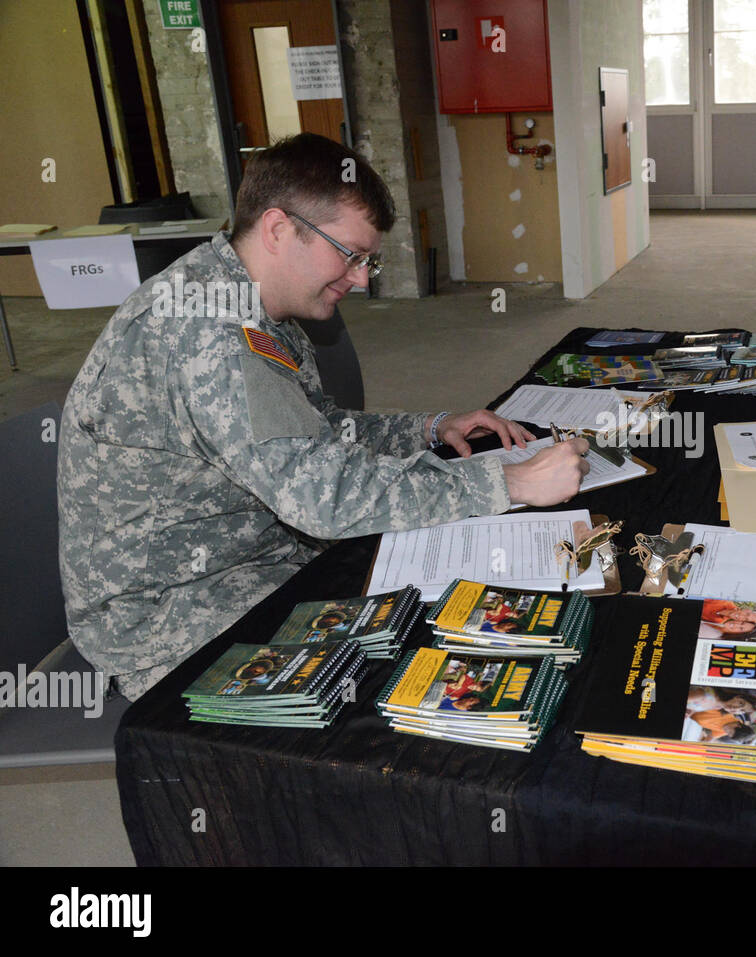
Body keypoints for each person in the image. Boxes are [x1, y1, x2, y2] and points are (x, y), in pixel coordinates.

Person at [57, 133, 590, 700]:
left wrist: (430, 428)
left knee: (468, 601)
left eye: (368, 259)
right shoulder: (207, 332)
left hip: (259, 554)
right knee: (431, 675)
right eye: (350, 253)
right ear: (279, 229)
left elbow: (318, 433)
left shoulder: (254, 301)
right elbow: (324, 499)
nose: (362, 279)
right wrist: (509, 480)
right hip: (172, 612)